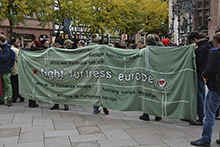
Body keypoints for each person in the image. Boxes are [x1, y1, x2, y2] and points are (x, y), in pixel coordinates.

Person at [190, 32, 220, 147]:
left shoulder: (216, 54)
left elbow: (210, 68)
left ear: (216, 41)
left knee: (209, 114)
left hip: (216, 87)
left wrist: (204, 75)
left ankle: (206, 139)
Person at [188, 31, 210, 125]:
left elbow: (196, 61)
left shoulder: (200, 48)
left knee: (199, 96)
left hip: (198, 74)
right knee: (202, 95)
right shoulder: (206, 46)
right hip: (203, 73)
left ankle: (201, 118)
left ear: (195, 39)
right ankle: (202, 116)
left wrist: (193, 52)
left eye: (191, 41)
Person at [139, 34, 162, 121]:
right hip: (158, 74)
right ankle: (158, 115)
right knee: (157, 94)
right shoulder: (159, 50)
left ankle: (146, 114)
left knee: (147, 94)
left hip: (147, 75)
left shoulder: (145, 50)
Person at [89, 33, 109, 115]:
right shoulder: (100, 48)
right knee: (99, 90)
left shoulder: (86, 48)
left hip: (88, 72)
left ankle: (97, 107)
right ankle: (98, 107)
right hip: (98, 72)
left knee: (93, 90)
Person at [50, 37, 69, 111]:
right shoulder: (53, 50)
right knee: (56, 89)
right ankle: (56, 103)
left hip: (63, 72)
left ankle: (65, 104)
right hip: (55, 72)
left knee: (63, 89)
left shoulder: (64, 50)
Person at [0, 34, 13, 106]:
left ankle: (9, 99)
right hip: (2, 68)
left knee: (7, 84)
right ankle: (2, 98)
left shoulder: (6, 48)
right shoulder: (3, 47)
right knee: (2, 85)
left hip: (5, 69)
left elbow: (5, 58)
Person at [10, 38, 24, 103]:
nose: (18, 42)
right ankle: (20, 97)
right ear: (13, 43)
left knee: (14, 84)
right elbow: (19, 59)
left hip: (13, 69)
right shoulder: (16, 50)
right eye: (16, 42)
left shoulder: (11, 49)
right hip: (16, 69)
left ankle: (15, 97)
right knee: (18, 84)